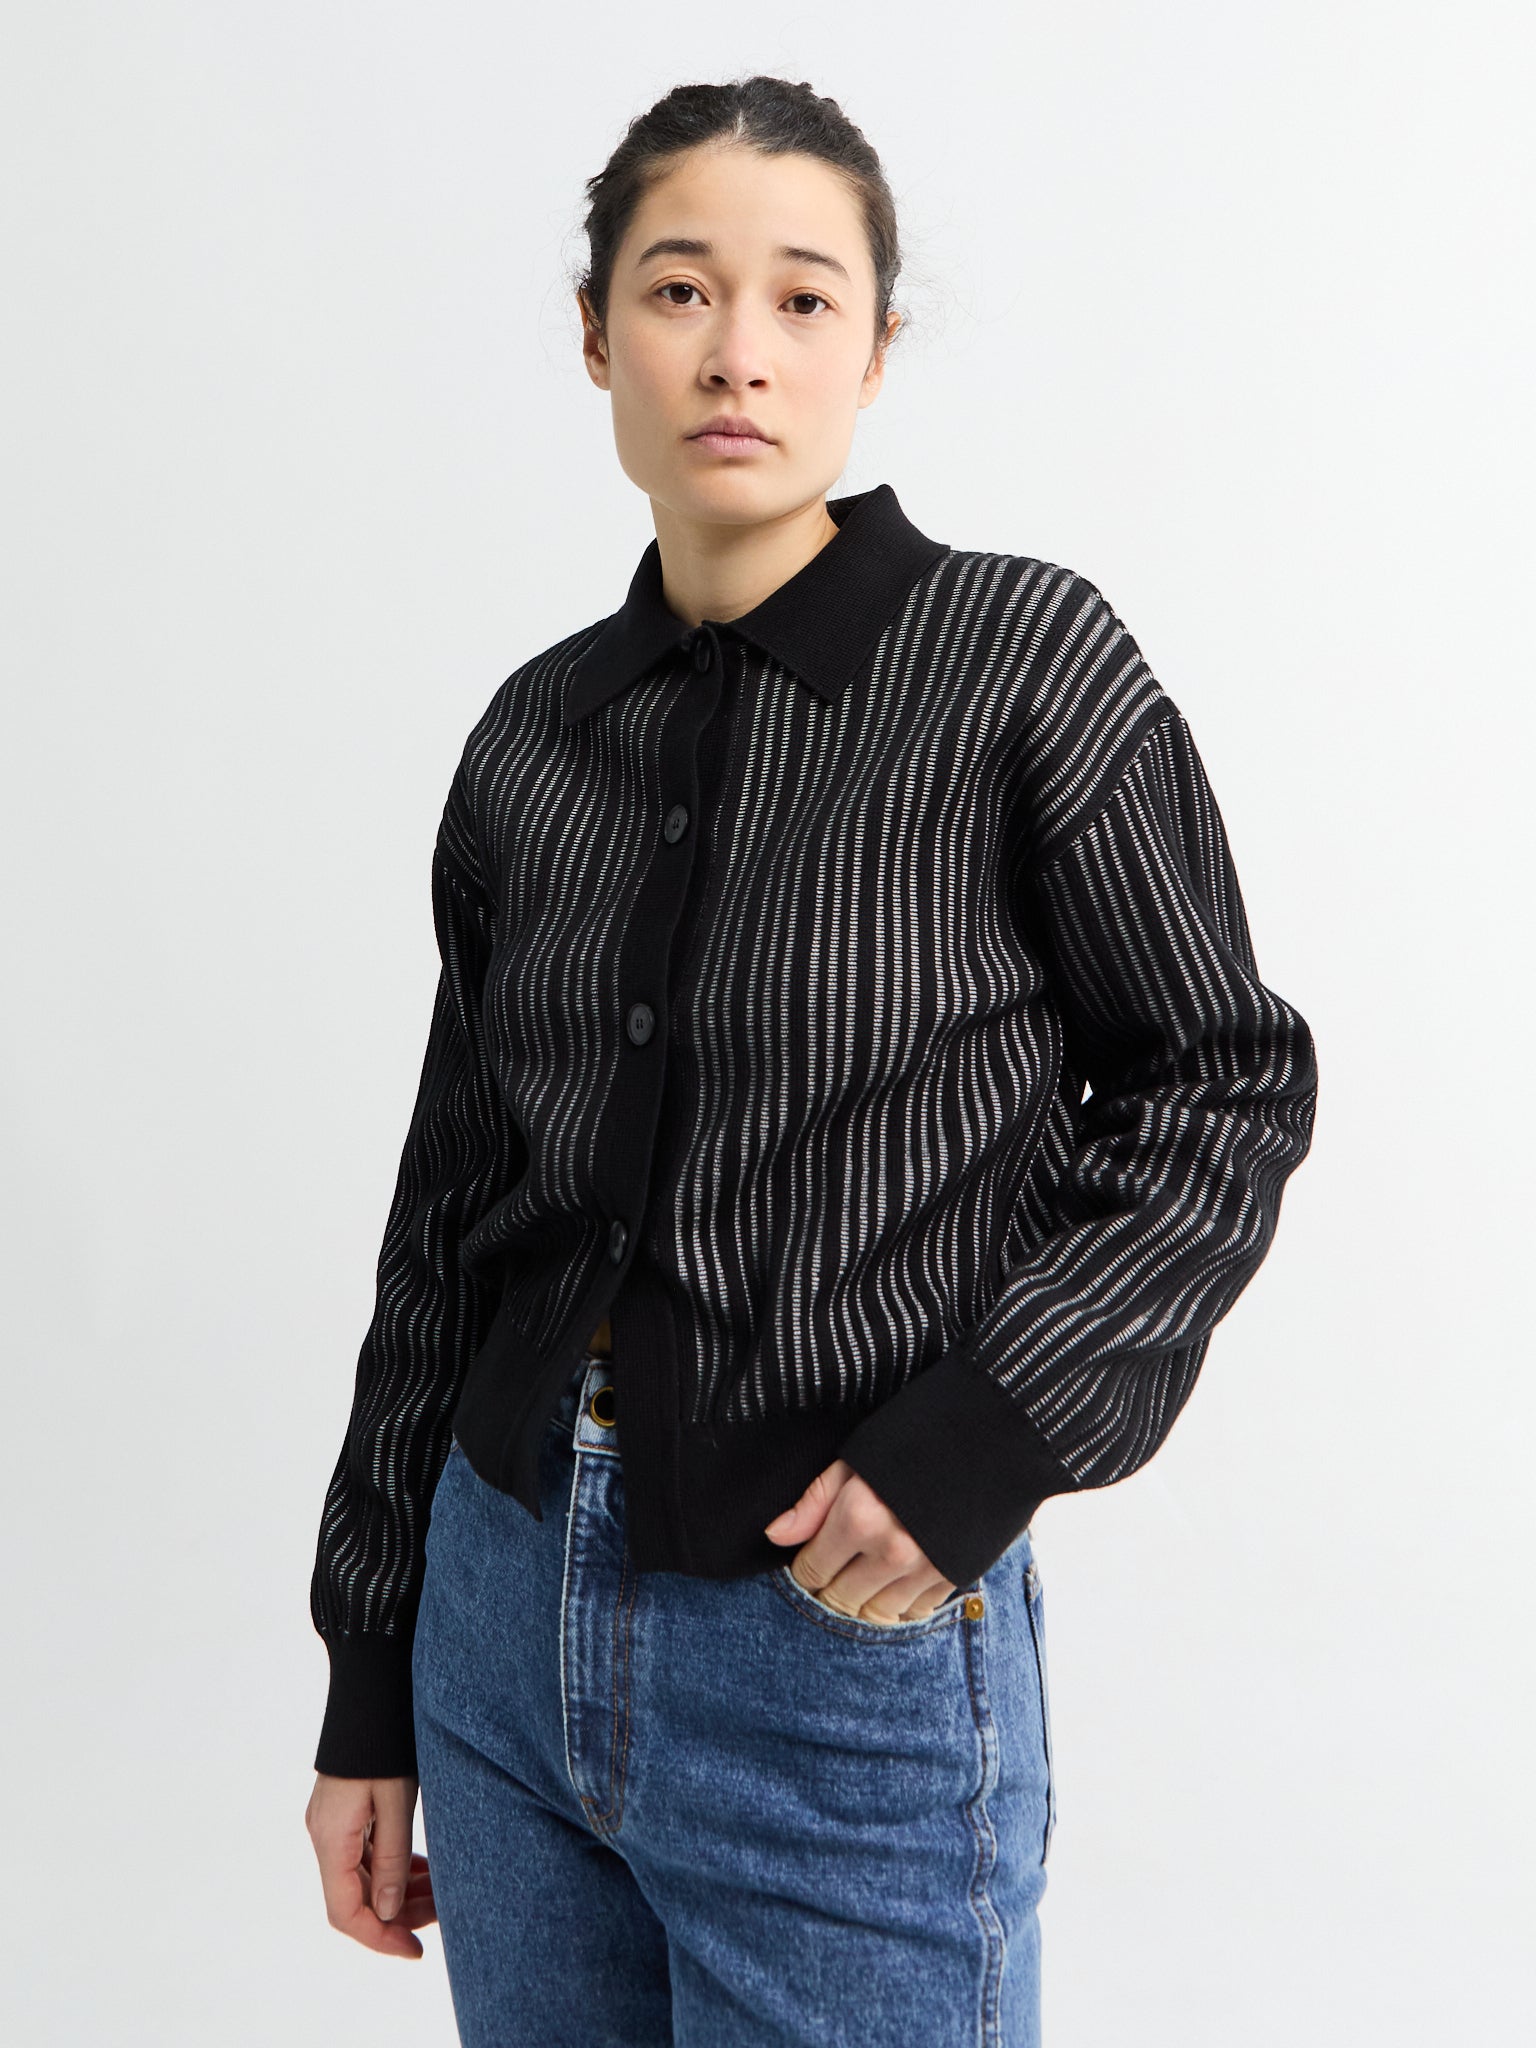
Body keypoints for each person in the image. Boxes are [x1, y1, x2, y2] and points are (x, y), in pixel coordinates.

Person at [303, 74, 1318, 2048]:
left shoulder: (1023, 665)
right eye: (680, 291)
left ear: (877, 344)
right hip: (496, 1640)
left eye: (802, 299)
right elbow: (448, 1220)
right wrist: (370, 1675)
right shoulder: (533, 740)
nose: (738, 354)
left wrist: (985, 1442)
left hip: (834, 1649)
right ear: (596, 333)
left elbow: (1219, 1086)